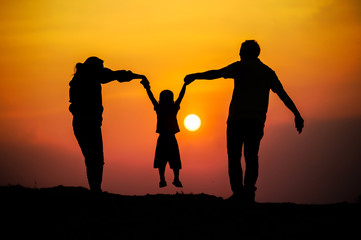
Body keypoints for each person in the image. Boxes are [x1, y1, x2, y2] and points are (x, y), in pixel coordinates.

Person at [184, 40, 304, 203]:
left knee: (234, 157)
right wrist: (296, 114)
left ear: (245, 52)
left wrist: (195, 76)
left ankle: (240, 193)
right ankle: (248, 192)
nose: (239, 54)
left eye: (241, 51)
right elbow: (282, 94)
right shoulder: (267, 72)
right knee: (251, 156)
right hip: (256, 120)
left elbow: (216, 73)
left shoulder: (240, 67)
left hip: (237, 119)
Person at [69, 56, 146, 193]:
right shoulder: (87, 78)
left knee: (94, 158)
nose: (103, 70)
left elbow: (114, 75)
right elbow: (115, 75)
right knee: (95, 159)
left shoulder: (81, 79)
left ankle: (95, 189)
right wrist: (138, 76)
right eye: (101, 67)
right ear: (94, 68)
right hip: (87, 124)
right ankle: (95, 190)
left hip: (86, 124)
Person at [140, 78, 187, 188]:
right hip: (170, 137)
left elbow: (151, 97)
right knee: (173, 159)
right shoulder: (173, 107)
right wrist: (185, 85)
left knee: (162, 160)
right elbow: (181, 97)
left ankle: (163, 179)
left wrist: (147, 88)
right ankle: (175, 179)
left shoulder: (160, 107)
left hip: (163, 138)